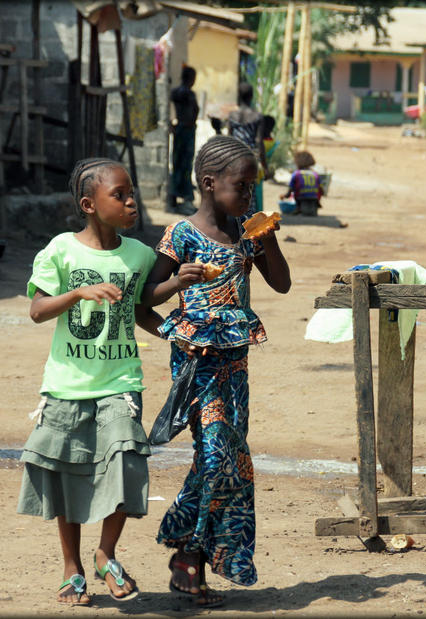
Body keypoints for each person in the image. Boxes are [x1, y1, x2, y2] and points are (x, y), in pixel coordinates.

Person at [16, 158, 205, 607]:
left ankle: (106, 554)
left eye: (131, 193)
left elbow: (142, 309)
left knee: (125, 463)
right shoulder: (61, 250)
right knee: (67, 475)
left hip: (121, 382)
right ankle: (71, 567)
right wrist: (78, 292)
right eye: (119, 195)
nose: (130, 202)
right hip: (66, 385)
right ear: (89, 204)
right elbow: (38, 310)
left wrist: (175, 318)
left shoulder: (138, 255)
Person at [141, 135, 291, 607]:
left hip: (235, 364)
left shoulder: (248, 234)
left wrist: (266, 243)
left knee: (230, 458)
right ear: (209, 184)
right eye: (242, 187)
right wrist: (175, 284)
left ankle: (192, 553)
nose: (250, 196)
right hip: (196, 364)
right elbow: (146, 294)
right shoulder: (180, 236)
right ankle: (189, 555)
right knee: (214, 453)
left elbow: (282, 285)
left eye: (253, 188)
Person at [226, 82, 267, 216]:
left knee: (235, 189)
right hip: (249, 158)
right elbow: (258, 141)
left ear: (239, 96)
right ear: (251, 96)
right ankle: (248, 225)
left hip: (234, 157)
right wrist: (265, 165)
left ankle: (235, 221)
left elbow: (230, 138)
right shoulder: (257, 116)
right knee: (249, 191)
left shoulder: (232, 116)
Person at [169, 65, 199, 215]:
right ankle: (186, 196)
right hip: (187, 130)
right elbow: (195, 110)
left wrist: (171, 124)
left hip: (179, 128)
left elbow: (167, 109)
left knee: (176, 162)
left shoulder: (175, 92)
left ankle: (173, 196)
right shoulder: (190, 94)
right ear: (191, 78)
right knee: (186, 164)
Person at [280, 150, 322, 216]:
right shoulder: (315, 174)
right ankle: (317, 205)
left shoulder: (296, 174)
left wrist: (285, 196)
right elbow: (321, 189)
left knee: (296, 187)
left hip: (301, 197)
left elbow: (291, 188)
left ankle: (298, 208)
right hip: (314, 197)